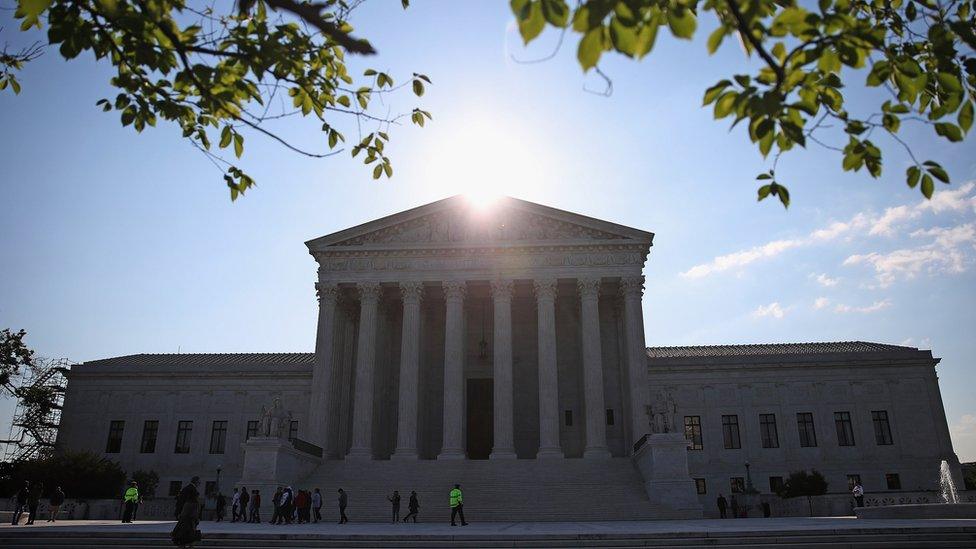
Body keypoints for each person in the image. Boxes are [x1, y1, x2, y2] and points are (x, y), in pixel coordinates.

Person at [171, 482, 202, 548]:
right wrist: (196, 519)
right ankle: (189, 545)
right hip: (189, 522)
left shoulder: (188, 503)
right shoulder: (194, 503)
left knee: (184, 535)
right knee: (190, 535)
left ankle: (184, 545)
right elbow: (194, 514)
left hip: (185, 522)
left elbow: (184, 513)